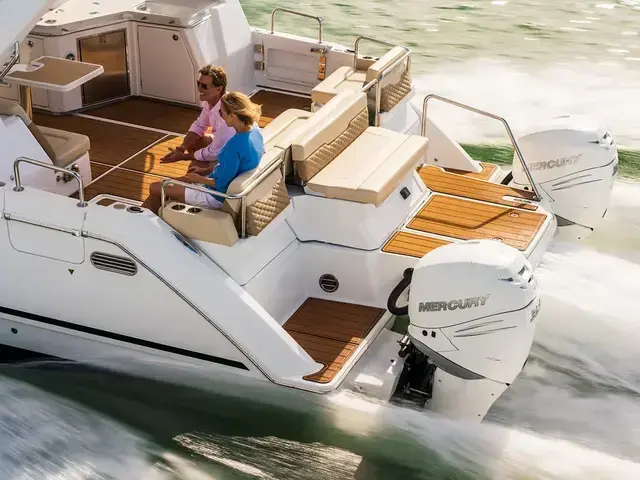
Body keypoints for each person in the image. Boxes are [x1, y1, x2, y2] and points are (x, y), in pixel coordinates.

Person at [141, 92, 264, 215]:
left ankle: (147, 220)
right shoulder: (255, 131)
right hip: (224, 185)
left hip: (214, 196)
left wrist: (198, 179)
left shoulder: (233, 146)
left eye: (221, 112)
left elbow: (220, 184)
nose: (220, 115)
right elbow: (232, 167)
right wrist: (204, 170)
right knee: (177, 181)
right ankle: (144, 216)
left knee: (155, 187)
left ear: (232, 116)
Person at [160, 65, 236, 170]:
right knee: (192, 141)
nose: (199, 89)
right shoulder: (211, 101)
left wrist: (184, 157)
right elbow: (199, 126)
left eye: (204, 86)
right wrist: (182, 148)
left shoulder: (227, 115)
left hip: (230, 152)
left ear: (219, 89)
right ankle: (200, 165)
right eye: (198, 84)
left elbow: (214, 152)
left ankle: (203, 169)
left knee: (192, 173)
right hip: (219, 144)